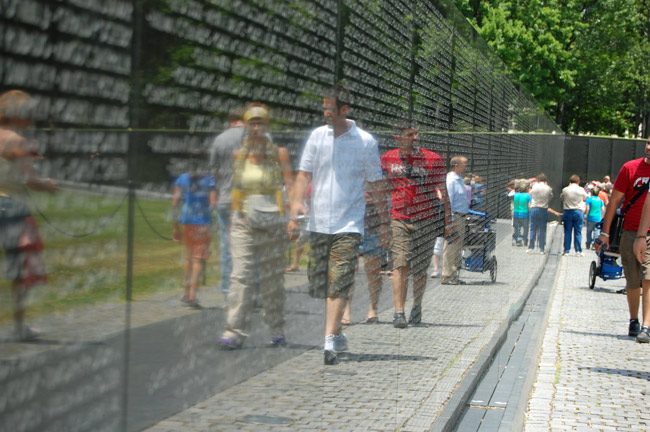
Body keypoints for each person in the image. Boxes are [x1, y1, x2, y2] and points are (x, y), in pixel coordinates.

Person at [288, 84, 386, 365]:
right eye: (324, 107)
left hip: (349, 222)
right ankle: (337, 331)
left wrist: (383, 221)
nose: (325, 112)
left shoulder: (365, 141)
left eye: (330, 108)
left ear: (345, 110)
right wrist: (295, 204)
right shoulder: (317, 136)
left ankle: (329, 339)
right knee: (320, 284)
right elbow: (303, 173)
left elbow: (375, 182)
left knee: (341, 278)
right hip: (319, 221)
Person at [217, 103, 293, 349]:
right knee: (241, 276)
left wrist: (292, 218)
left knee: (272, 281)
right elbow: (234, 188)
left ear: (267, 125)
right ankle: (234, 330)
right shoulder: (238, 155)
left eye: (261, 123)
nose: (257, 128)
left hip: (272, 222)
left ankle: (276, 327)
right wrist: (232, 215)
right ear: (246, 126)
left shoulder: (278, 154)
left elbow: (290, 186)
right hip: (244, 221)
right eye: (252, 123)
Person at [0, 90, 58, 341]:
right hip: (12, 206)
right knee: (19, 271)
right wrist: (48, 185)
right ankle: (19, 327)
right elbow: (30, 180)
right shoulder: (17, 140)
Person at [380, 123, 447, 327]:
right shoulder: (387, 159)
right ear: (398, 138)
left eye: (417, 134)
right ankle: (398, 312)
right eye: (410, 134)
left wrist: (448, 221)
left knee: (419, 268)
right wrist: (382, 221)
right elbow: (381, 188)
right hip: (399, 218)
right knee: (400, 263)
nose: (415, 138)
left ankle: (416, 306)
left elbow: (443, 192)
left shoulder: (432, 159)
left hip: (425, 219)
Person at [596, 140, 650, 339]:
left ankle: (646, 326)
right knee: (633, 280)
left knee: (648, 277)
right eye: (648, 143)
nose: (649, 147)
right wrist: (605, 232)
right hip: (630, 232)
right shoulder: (630, 168)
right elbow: (614, 202)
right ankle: (634, 320)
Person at [208, 109, 245, 298]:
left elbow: (213, 172)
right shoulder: (252, 136)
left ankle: (227, 289)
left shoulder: (219, 140)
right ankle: (247, 292)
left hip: (224, 198)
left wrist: (213, 194)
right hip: (246, 200)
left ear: (230, 121)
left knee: (226, 245)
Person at [172, 165, 217, 309]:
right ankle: (192, 295)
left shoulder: (183, 178)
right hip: (202, 222)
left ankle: (185, 293)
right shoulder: (209, 180)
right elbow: (213, 203)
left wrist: (175, 226)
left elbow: (175, 202)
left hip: (186, 220)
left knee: (188, 258)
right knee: (197, 260)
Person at [441, 155, 470, 285]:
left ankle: (454, 275)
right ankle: (447, 275)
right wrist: (450, 221)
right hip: (455, 217)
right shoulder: (451, 180)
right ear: (456, 165)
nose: (466, 166)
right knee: (451, 247)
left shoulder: (459, 180)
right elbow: (449, 201)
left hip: (461, 217)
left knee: (457, 247)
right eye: (464, 164)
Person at [527, 173, 556, 254]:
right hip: (543, 209)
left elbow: (530, 194)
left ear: (538, 179)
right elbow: (551, 196)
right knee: (542, 229)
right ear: (545, 180)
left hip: (534, 208)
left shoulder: (534, 186)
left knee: (533, 228)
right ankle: (541, 249)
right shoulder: (548, 188)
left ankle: (531, 247)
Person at [560, 174, 588, 256]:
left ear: (570, 181)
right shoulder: (581, 189)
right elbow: (585, 198)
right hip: (578, 211)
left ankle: (566, 251)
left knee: (567, 232)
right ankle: (578, 251)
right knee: (578, 232)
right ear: (578, 181)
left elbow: (561, 198)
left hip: (568, 211)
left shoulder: (565, 189)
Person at [512, 180, 531, 247]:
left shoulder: (515, 195)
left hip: (516, 213)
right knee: (525, 228)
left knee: (517, 227)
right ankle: (525, 240)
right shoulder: (528, 196)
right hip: (524, 213)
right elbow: (530, 204)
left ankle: (518, 240)